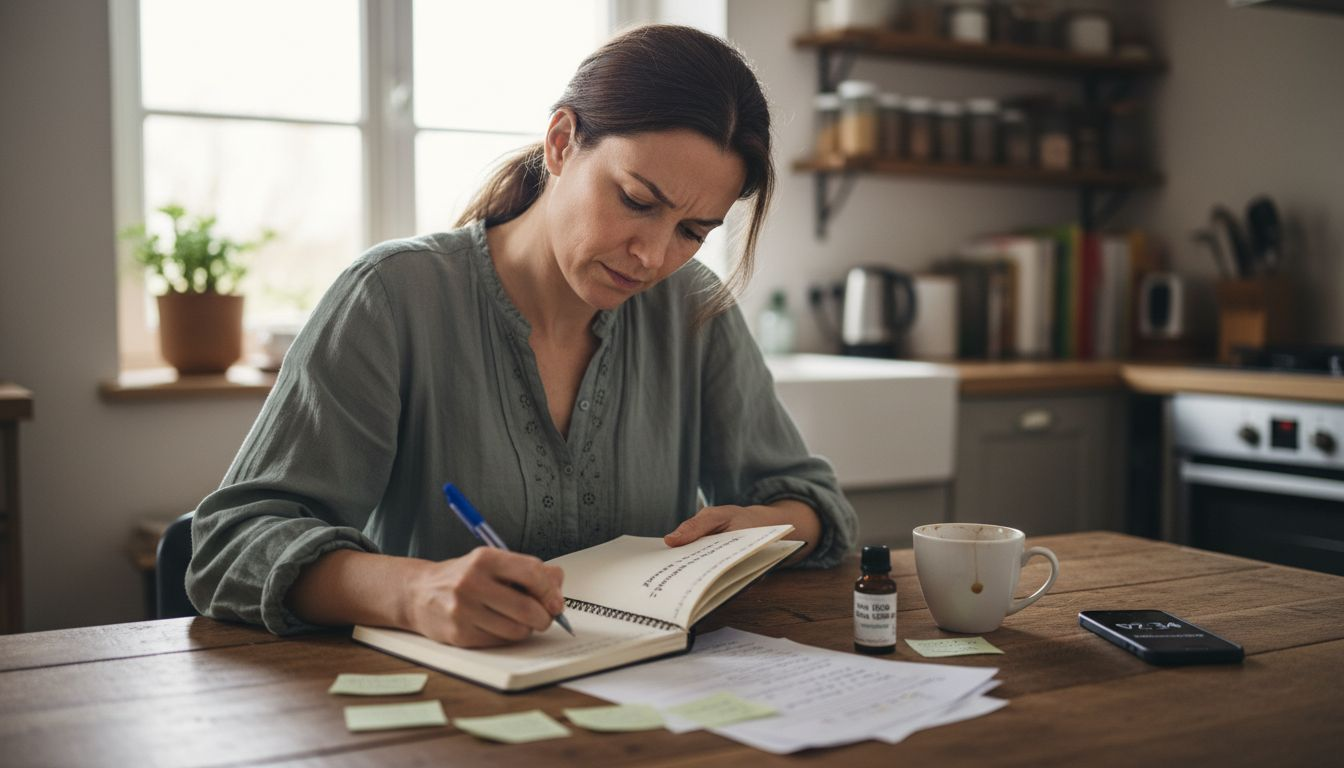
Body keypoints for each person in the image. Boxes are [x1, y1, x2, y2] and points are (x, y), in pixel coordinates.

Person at [186, 24, 858, 649]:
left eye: (692, 232)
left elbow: (813, 502)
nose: (653, 256)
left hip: (647, 707)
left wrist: (774, 526)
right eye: (636, 200)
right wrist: (415, 592)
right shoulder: (393, 296)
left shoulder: (693, 310)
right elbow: (230, 546)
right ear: (562, 142)